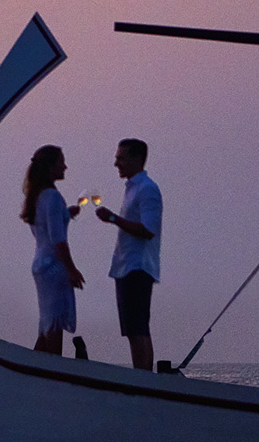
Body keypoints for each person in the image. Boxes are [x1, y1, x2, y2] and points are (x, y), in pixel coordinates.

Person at [93, 138, 163, 370]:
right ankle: (142, 376)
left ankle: (143, 378)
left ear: (136, 159)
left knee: (137, 328)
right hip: (126, 266)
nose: (116, 163)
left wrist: (113, 218)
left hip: (137, 266)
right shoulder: (134, 189)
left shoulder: (147, 190)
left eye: (121, 158)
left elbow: (148, 230)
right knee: (134, 328)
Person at [22, 144, 86, 354]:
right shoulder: (52, 196)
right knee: (54, 324)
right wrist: (71, 269)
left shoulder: (38, 195)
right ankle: (52, 369)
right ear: (51, 167)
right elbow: (58, 240)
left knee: (46, 323)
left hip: (40, 264)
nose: (65, 167)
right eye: (61, 163)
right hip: (53, 267)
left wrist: (66, 214)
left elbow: (44, 227)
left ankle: (31, 370)